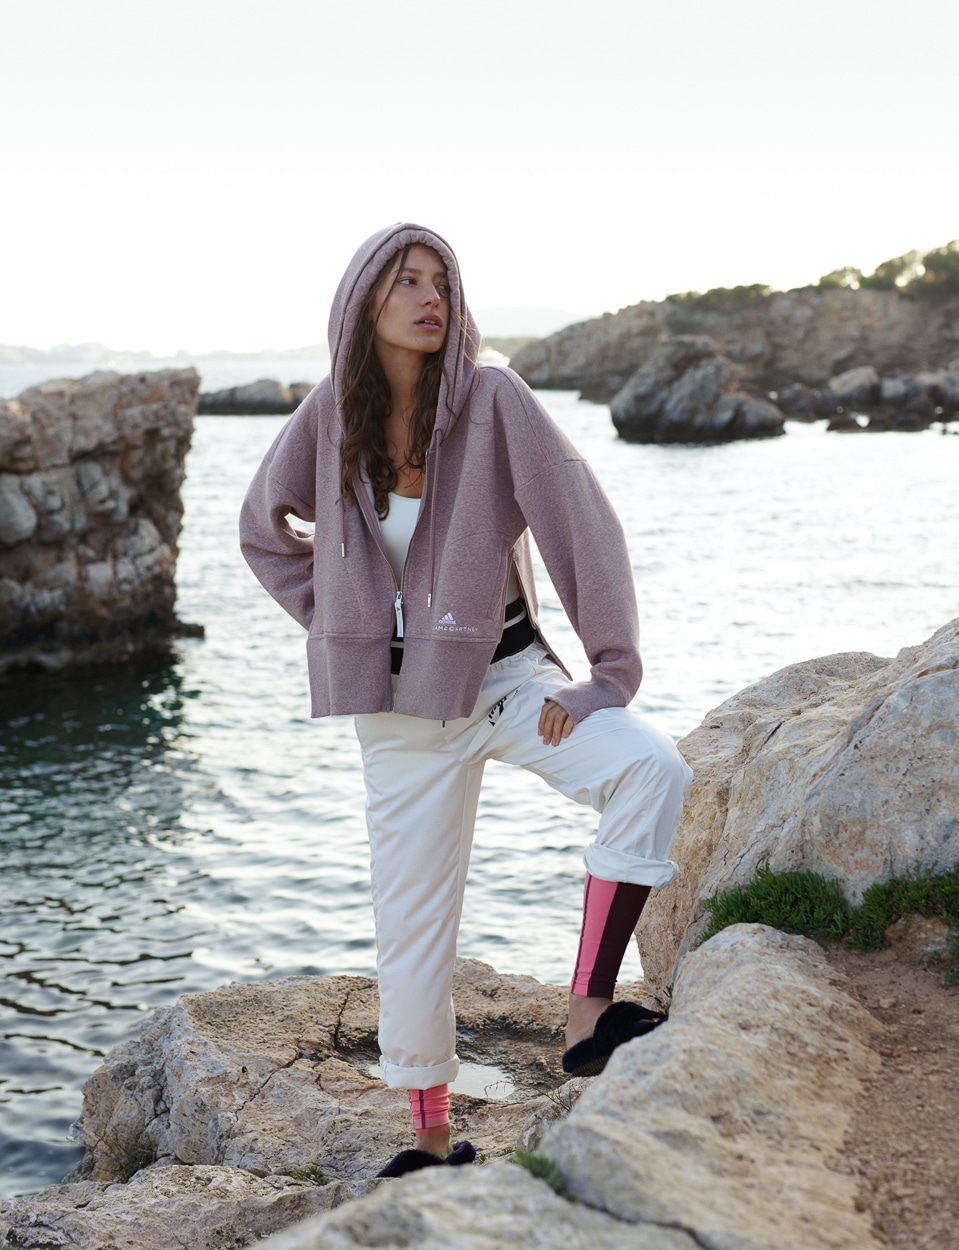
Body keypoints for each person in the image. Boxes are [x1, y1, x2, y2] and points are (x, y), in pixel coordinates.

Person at [240, 223, 692, 1173]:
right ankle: (432, 1141)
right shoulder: (330, 414)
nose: (430, 297)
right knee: (411, 926)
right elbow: (264, 532)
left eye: (441, 280)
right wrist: (342, 624)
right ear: (364, 299)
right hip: (398, 713)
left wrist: (607, 674)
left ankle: (589, 1015)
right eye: (407, 281)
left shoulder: (494, 399)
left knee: (652, 768)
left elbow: (581, 522)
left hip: (511, 681)